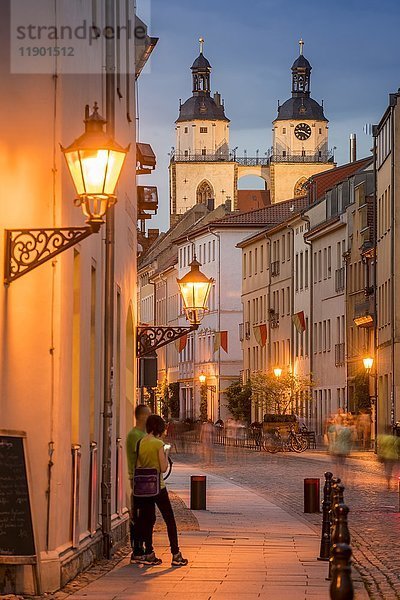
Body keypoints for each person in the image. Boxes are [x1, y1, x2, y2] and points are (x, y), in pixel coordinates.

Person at [134, 414, 188, 567]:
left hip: (144, 487)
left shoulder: (141, 442)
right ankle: (175, 554)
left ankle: (149, 552)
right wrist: (165, 453)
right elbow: (163, 468)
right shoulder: (158, 444)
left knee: (148, 520)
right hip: (158, 486)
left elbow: (139, 465)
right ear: (159, 427)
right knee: (169, 519)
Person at [126, 403, 151, 562]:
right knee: (139, 514)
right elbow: (142, 456)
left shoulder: (142, 433)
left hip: (144, 478)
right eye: (148, 415)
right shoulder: (135, 435)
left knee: (145, 515)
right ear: (142, 416)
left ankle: (141, 547)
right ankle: (136, 548)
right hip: (137, 478)